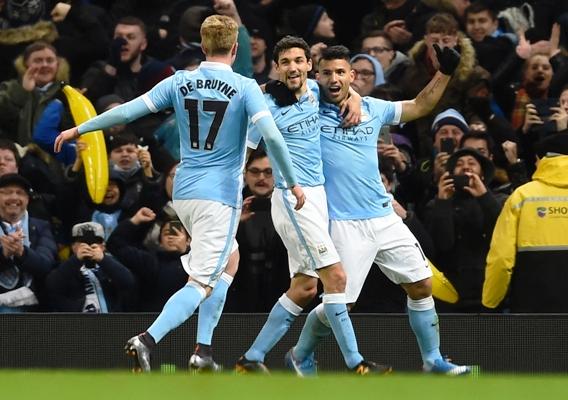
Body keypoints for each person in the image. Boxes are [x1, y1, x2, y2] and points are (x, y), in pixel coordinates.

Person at [54, 14, 304, 373]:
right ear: (235, 48)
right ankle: (146, 339)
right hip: (218, 197)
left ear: (202, 47)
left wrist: (81, 128)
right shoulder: (245, 86)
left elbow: (128, 109)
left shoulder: (181, 81)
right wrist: (292, 182)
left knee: (229, 260)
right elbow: (273, 138)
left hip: (184, 190)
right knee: (202, 281)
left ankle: (202, 351)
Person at [284, 45, 470, 376]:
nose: (334, 78)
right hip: (343, 222)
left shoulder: (373, 108)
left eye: (341, 72)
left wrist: (445, 73)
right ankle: (300, 354)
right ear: (317, 77)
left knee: (421, 284)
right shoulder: (307, 106)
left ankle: (433, 360)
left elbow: (420, 105)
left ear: (352, 76)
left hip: (383, 215)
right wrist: (339, 92)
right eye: (326, 73)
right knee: (341, 302)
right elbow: (287, 82)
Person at [236, 36, 382, 375]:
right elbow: (246, 149)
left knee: (304, 288)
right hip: (292, 199)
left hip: (318, 198)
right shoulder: (266, 103)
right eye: (285, 62)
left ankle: (252, 358)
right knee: (336, 276)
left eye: (299, 61)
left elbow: (344, 89)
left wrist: (357, 97)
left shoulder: (317, 93)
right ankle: (356, 363)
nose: (293, 68)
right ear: (277, 67)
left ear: (309, 66)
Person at [483, 133, 568, 312]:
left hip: (532, 308)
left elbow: (501, 257)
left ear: (542, 160)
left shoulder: (522, 197)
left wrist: (491, 301)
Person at [44, 221, 136, 312]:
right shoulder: (65, 267)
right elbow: (52, 285)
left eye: (95, 241)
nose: (89, 246)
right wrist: (76, 260)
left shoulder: (111, 265)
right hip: (79, 324)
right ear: (73, 246)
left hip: (112, 322)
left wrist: (104, 260)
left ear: (103, 246)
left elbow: (129, 282)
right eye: (83, 242)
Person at [0, 173, 57, 312]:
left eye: (20, 193)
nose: (14, 197)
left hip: (34, 305)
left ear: (27, 199)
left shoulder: (41, 226)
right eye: (7, 192)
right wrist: (3, 254)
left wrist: (22, 252)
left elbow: (46, 265)